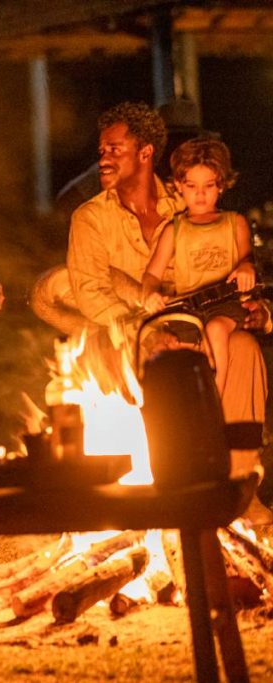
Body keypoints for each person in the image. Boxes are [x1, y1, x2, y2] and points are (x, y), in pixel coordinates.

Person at [62, 102, 270, 522]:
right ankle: (172, 492)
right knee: (163, 360)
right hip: (125, 333)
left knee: (244, 346)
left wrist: (256, 309)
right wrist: (146, 328)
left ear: (145, 153)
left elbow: (231, 266)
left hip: (199, 322)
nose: (103, 156)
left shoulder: (189, 201)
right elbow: (89, 292)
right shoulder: (90, 218)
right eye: (102, 148)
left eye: (114, 148)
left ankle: (238, 487)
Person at [142, 138, 255, 395]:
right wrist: (149, 294)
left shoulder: (234, 223)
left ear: (222, 186)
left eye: (209, 186)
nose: (200, 194)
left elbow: (247, 259)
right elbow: (151, 274)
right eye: (192, 185)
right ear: (179, 186)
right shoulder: (175, 230)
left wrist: (246, 269)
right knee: (173, 351)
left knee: (215, 329)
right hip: (189, 308)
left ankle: (216, 397)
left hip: (225, 304)